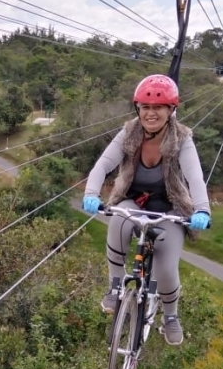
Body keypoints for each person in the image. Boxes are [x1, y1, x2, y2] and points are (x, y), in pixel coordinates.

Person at [81, 74, 211, 346]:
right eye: (145, 107)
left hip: (169, 208)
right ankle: (116, 288)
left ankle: (171, 316)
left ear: (171, 110)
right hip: (134, 201)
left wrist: (202, 210)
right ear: (138, 108)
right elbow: (102, 165)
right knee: (118, 222)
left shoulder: (182, 139)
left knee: (166, 268)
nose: (151, 113)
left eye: (158, 107)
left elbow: (195, 177)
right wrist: (91, 193)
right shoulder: (129, 133)